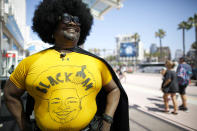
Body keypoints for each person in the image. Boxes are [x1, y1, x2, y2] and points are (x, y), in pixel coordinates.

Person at [4, 0, 129, 131]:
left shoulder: (97, 63)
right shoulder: (30, 62)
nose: (73, 22)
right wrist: (23, 124)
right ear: (51, 24)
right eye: (66, 18)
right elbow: (10, 94)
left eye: (77, 20)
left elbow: (114, 90)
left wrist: (107, 121)